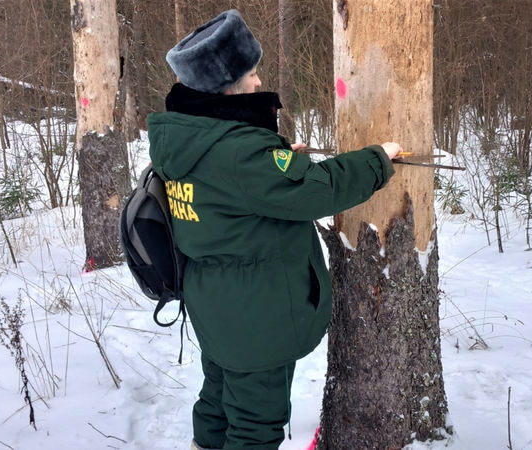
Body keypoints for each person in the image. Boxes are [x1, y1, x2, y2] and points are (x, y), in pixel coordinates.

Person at [147, 9, 401, 450]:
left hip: (215, 308)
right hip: (256, 316)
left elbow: (235, 186)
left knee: (217, 401)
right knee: (254, 424)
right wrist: (378, 158)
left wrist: (277, 157)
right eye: (251, 73)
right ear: (228, 85)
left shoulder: (187, 140)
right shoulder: (241, 155)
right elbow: (317, 189)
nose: (259, 80)